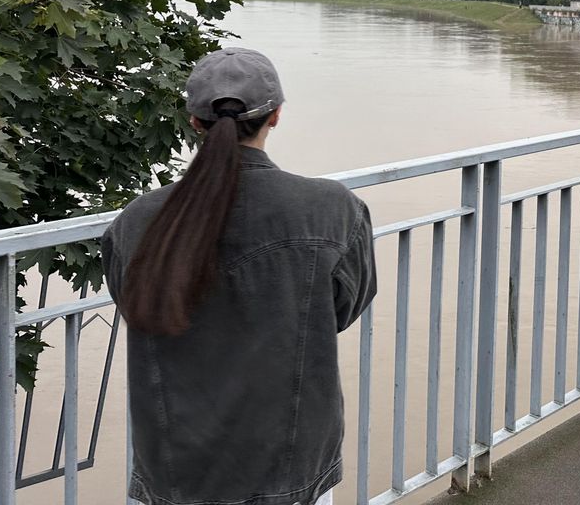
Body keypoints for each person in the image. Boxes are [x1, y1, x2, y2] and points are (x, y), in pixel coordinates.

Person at [102, 48, 377, 505]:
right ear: (275, 117)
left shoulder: (138, 220)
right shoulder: (333, 210)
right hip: (291, 467)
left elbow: (136, 307)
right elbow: (342, 311)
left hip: (176, 470)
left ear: (194, 121)